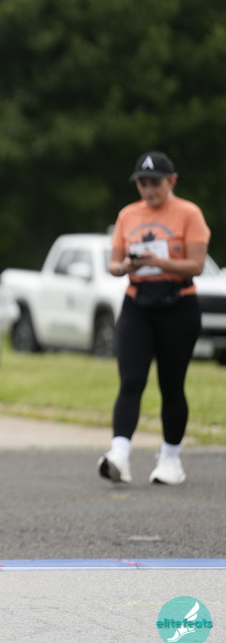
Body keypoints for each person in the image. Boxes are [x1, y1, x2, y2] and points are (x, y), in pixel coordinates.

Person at [98, 151, 210, 487]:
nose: (148, 190)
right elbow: (113, 264)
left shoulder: (189, 213)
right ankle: (119, 454)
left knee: (171, 384)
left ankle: (170, 459)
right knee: (131, 380)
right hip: (138, 304)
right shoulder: (128, 215)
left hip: (178, 304)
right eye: (142, 184)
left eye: (155, 183)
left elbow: (196, 265)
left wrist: (160, 262)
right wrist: (126, 266)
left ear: (171, 181)